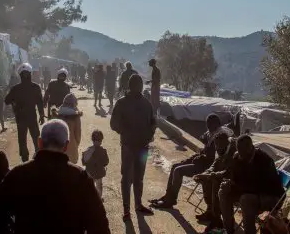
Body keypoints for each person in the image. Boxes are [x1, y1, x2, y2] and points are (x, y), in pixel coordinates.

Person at [0, 120, 111, 234]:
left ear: (40, 143)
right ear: (66, 146)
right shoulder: (80, 178)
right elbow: (99, 224)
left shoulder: (18, 174)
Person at [151, 113, 223, 209]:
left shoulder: (219, 136)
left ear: (217, 124)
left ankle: (171, 200)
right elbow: (204, 149)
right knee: (175, 166)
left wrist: (199, 157)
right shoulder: (211, 133)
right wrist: (195, 157)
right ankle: (168, 196)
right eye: (207, 125)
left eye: (210, 125)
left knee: (178, 170)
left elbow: (213, 159)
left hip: (206, 167)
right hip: (201, 161)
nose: (208, 127)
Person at [110, 73, 156, 221]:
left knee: (139, 177)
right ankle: (126, 210)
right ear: (130, 86)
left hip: (143, 147)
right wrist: (125, 131)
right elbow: (113, 124)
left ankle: (138, 204)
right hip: (128, 146)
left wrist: (150, 133)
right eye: (136, 85)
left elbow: (153, 122)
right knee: (126, 178)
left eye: (140, 85)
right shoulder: (122, 103)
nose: (139, 87)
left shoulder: (146, 103)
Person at [218, 134, 284, 234]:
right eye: (238, 151)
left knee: (246, 199)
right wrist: (229, 183)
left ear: (250, 148)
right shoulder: (238, 156)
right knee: (223, 192)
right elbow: (233, 175)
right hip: (248, 191)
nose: (240, 155)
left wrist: (237, 186)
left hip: (270, 196)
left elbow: (259, 187)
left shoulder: (264, 160)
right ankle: (229, 230)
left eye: (242, 152)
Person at [193, 130, 236, 231]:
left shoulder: (233, 153)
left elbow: (228, 172)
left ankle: (216, 219)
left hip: (234, 182)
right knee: (206, 180)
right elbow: (214, 165)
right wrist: (204, 174)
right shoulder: (221, 152)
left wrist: (211, 175)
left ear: (226, 143)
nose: (217, 147)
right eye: (216, 145)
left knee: (215, 182)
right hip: (223, 179)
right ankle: (211, 212)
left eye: (220, 145)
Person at [5, 63, 45, 162]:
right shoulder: (35, 87)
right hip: (32, 117)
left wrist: (14, 103)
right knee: (36, 137)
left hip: (20, 117)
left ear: (20, 75)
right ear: (30, 74)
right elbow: (40, 103)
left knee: (22, 139)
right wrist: (42, 115)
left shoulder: (15, 88)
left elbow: (7, 101)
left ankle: (25, 159)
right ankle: (39, 156)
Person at [53, 93, 83, 163]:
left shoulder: (56, 114)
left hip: (57, 149)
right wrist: (76, 145)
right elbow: (78, 134)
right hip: (71, 147)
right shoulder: (76, 116)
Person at [82, 129, 110, 200]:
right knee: (99, 186)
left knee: (90, 186)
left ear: (92, 140)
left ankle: (89, 198)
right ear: (101, 141)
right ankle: (99, 198)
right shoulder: (103, 151)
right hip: (99, 173)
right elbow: (106, 162)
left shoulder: (88, 151)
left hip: (90, 172)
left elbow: (83, 162)